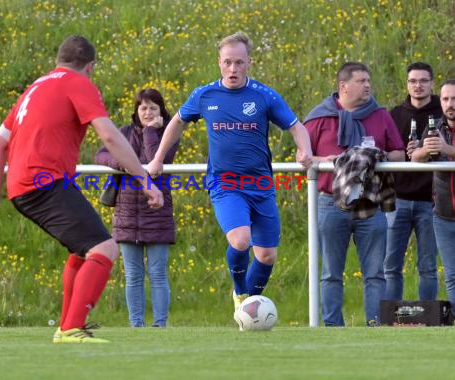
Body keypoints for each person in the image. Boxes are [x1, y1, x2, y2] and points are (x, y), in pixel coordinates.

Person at [0, 35, 163, 343]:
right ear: (90, 67)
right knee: (105, 248)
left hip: (25, 185)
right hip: (43, 182)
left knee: (84, 250)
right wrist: (144, 179)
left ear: (58, 61)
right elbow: (111, 137)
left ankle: (67, 325)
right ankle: (72, 327)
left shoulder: (36, 87)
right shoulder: (79, 84)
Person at [147, 32, 313, 329]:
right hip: (225, 184)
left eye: (239, 62)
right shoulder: (205, 95)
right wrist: (159, 158)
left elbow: (296, 126)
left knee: (266, 255)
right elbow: (177, 123)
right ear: (219, 63)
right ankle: (240, 294)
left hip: (261, 185)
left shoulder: (264, 95)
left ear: (249, 63)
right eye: (227, 62)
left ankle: (248, 312)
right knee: (241, 240)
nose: (233, 69)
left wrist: (305, 149)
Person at [304, 62, 405, 326]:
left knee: (375, 274)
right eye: (361, 81)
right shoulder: (319, 118)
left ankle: (375, 326)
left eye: (368, 80)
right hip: (329, 204)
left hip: (371, 205)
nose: (368, 85)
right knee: (330, 274)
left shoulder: (381, 116)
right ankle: (332, 327)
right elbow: (302, 156)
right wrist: (323, 159)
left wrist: (378, 156)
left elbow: (399, 152)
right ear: (343, 86)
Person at [94, 88, 178, 328]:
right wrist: (124, 164)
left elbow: (155, 160)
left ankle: (160, 325)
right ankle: (136, 325)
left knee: (158, 275)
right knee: (132, 276)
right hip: (126, 214)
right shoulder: (124, 132)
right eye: (144, 108)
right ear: (136, 111)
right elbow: (100, 155)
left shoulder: (169, 135)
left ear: (161, 111)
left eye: (153, 108)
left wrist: (152, 131)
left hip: (158, 213)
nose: (148, 112)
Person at [385, 62, 442, 301]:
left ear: (432, 83)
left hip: (431, 202)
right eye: (413, 81)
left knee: (428, 267)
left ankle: (429, 318)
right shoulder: (394, 114)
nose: (417, 86)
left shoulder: (443, 113)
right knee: (390, 266)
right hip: (398, 200)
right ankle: (389, 318)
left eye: (423, 81)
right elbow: (386, 150)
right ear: (406, 83)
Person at [412, 79, 455, 316]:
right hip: (444, 215)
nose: (450, 104)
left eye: (454, 99)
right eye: (446, 99)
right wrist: (425, 152)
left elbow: (448, 152)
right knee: (452, 275)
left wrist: (448, 151)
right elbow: (415, 156)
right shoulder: (435, 128)